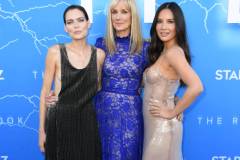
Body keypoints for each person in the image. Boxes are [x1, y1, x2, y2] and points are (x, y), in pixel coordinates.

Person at [38, 5, 105, 160]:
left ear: (88, 23)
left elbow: (99, 86)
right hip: (59, 123)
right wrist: (42, 131)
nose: (76, 25)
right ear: (65, 28)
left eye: (80, 20)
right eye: (70, 22)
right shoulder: (55, 52)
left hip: (87, 123)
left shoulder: (100, 55)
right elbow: (44, 92)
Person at [142, 2, 203, 160]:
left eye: (170, 22)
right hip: (154, 125)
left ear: (179, 26)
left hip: (163, 127)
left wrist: (172, 112)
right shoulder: (164, 50)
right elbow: (167, 82)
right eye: (160, 21)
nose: (163, 27)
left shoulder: (174, 53)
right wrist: (174, 99)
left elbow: (196, 87)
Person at [94, 0, 149, 159]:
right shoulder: (102, 44)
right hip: (103, 113)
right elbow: (89, 79)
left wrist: (172, 98)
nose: (118, 17)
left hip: (131, 115)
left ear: (133, 15)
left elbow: (161, 78)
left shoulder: (146, 47)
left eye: (124, 12)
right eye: (114, 12)